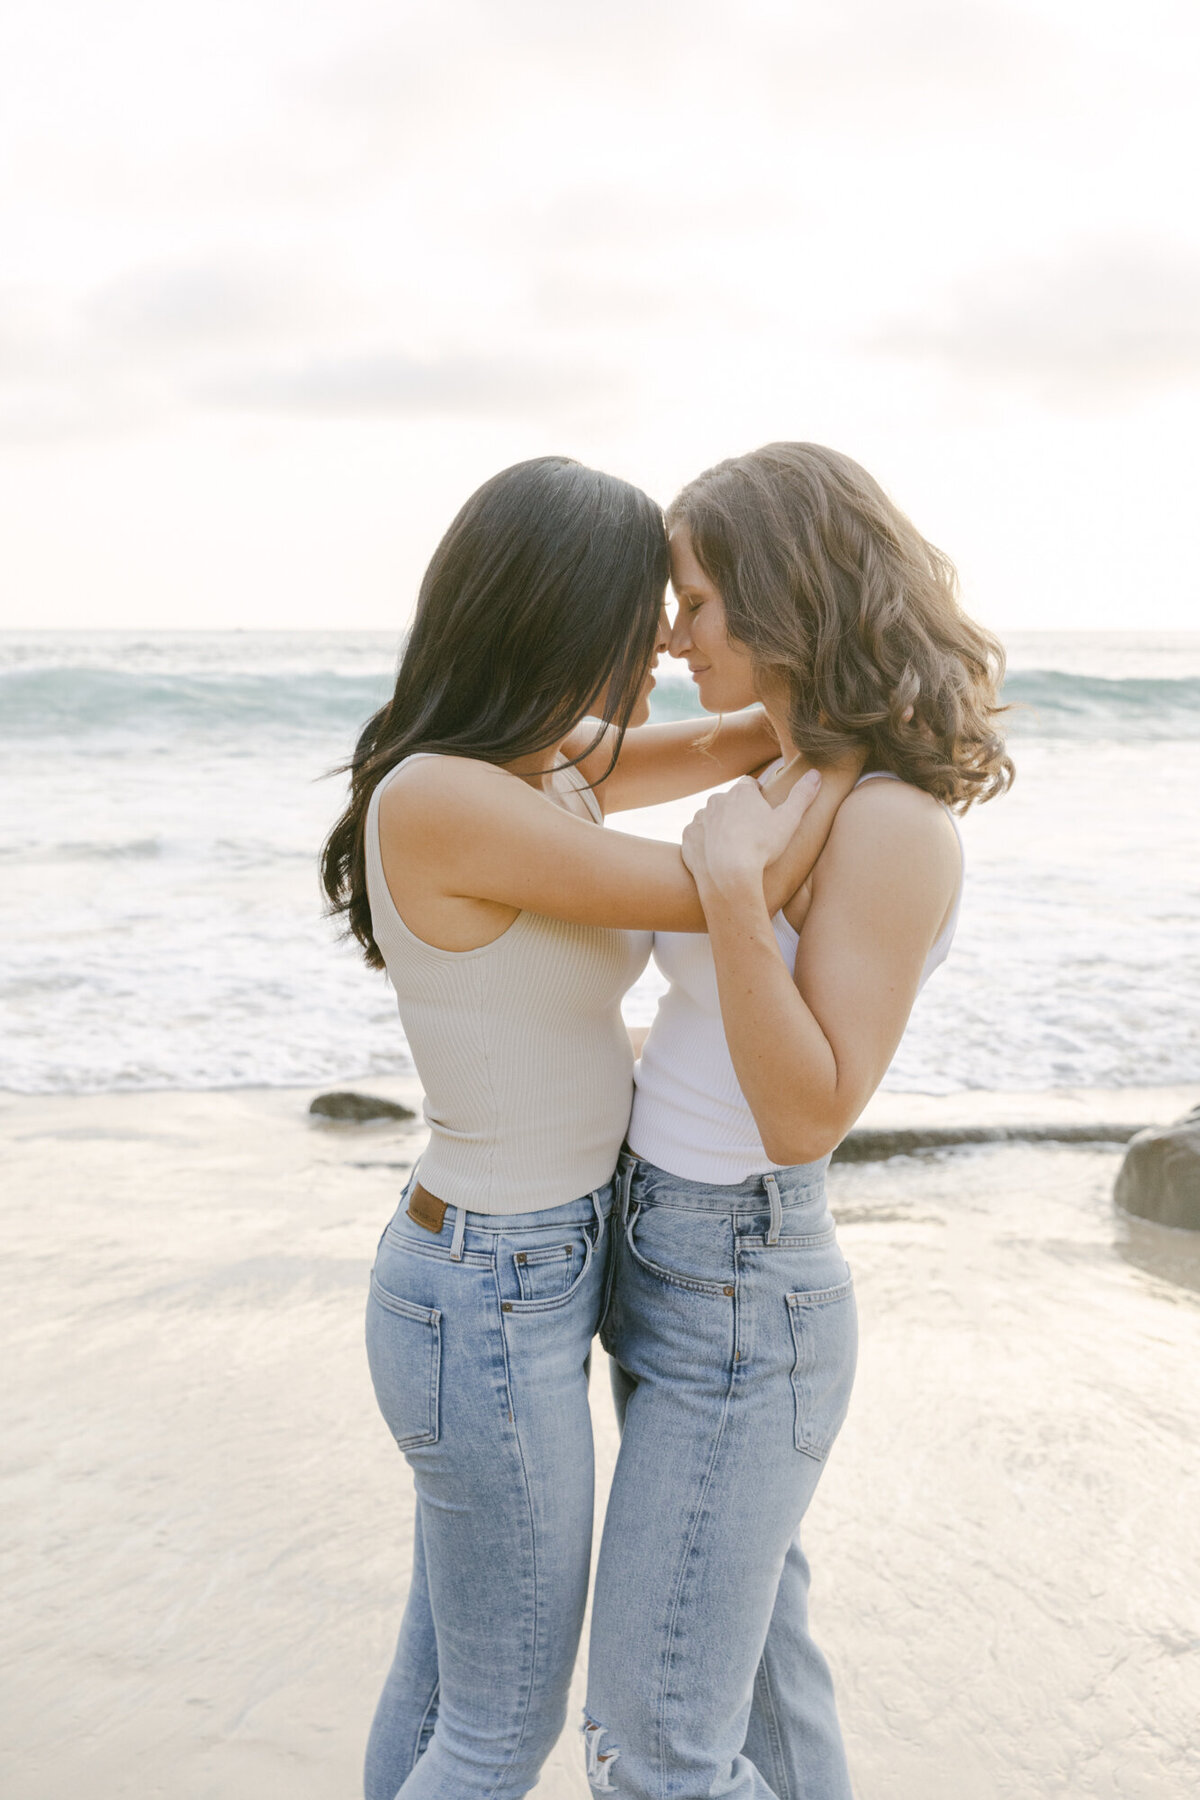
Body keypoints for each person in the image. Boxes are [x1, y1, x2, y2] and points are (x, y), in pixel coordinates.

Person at [320, 455, 853, 1800]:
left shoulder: (539, 769)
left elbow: (742, 745)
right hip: (487, 1287)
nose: (667, 640)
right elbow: (721, 886)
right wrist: (879, 772)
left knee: (450, 1686)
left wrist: (846, 702)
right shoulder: (446, 796)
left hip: (514, 1273)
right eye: (646, 611)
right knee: (500, 1729)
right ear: (561, 613)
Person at [584, 442, 1014, 1800]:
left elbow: (808, 1112)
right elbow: (557, 768)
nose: (671, 629)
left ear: (780, 599)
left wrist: (723, 897)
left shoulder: (892, 826)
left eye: (697, 599)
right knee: (763, 1699)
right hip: (670, 1265)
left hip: (741, 1289)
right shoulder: (799, 775)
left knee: (653, 1753)